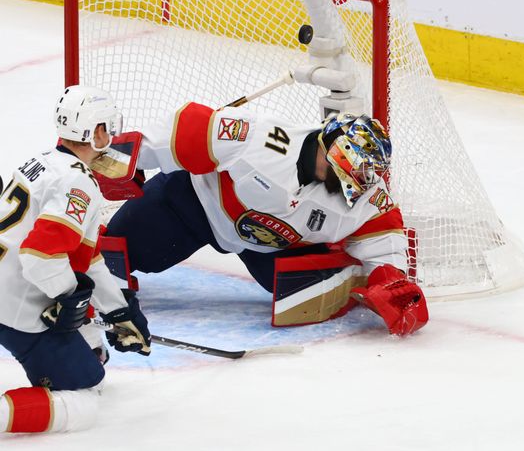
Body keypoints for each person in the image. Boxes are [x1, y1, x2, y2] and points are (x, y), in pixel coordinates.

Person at [104, 102, 428, 335]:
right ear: (332, 156)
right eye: (356, 172)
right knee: (119, 250)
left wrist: (390, 278)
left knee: (297, 295)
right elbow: (188, 129)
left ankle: (345, 271)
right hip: (190, 204)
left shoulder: (365, 192)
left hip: (271, 249)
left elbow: (383, 231)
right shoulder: (259, 139)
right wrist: (116, 159)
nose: (362, 183)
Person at [0, 86, 152, 434]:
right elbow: (40, 258)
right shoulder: (77, 183)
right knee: (83, 393)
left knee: (89, 351)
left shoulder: (40, 161)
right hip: (14, 307)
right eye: (107, 128)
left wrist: (118, 310)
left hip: (4, 283)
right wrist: (70, 300)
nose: (111, 136)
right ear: (95, 133)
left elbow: (87, 258)